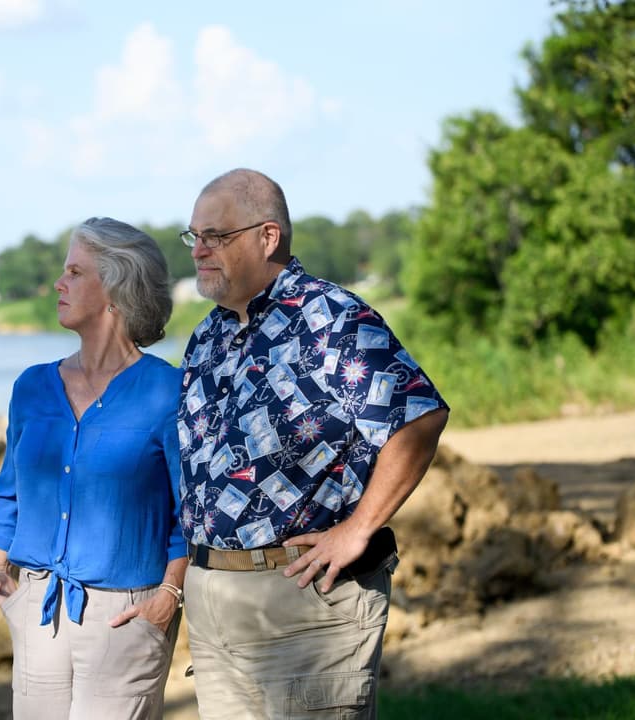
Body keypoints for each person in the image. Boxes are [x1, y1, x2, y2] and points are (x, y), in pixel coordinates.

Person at [176, 169, 449, 719]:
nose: (199, 250)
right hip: (216, 610)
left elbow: (418, 419)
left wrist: (357, 530)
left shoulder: (331, 319)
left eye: (215, 236)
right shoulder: (208, 334)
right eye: (194, 237)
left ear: (267, 236)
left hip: (302, 604)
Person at [0, 216, 188, 719]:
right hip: (37, 608)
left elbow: (194, 514)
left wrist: (168, 596)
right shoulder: (31, 387)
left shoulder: (168, 392)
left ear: (116, 289)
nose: (59, 283)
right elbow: (9, 488)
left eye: (75, 272)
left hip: (127, 619)